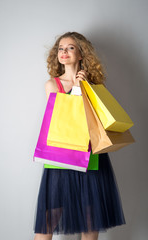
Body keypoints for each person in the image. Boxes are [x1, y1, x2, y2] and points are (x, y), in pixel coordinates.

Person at [33, 32, 125, 240]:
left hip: (89, 156)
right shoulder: (52, 85)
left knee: (90, 223)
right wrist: (75, 90)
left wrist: (83, 88)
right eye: (60, 48)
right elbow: (62, 120)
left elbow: (95, 122)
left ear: (81, 53)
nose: (64, 52)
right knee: (47, 223)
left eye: (70, 48)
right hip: (59, 158)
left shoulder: (93, 85)